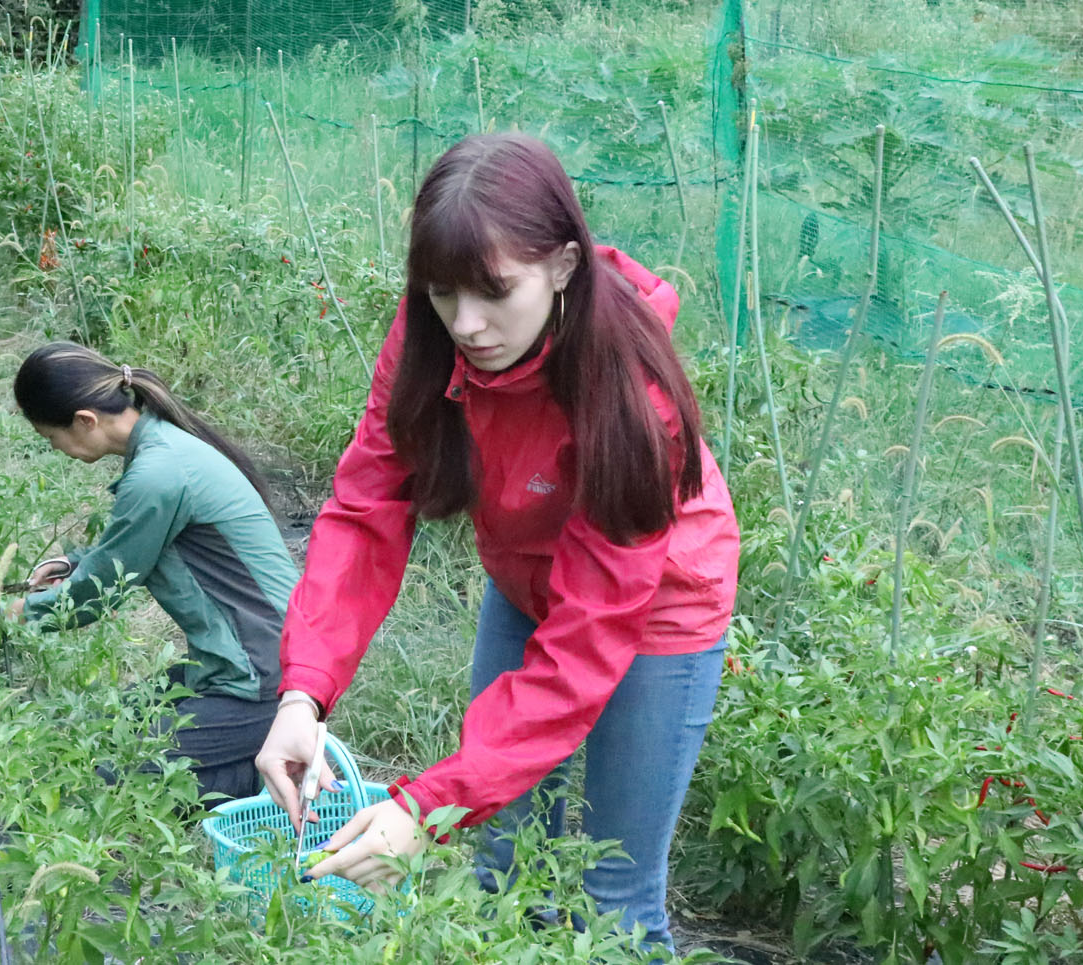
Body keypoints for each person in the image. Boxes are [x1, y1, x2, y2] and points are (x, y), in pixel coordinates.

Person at [256, 133, 737, 951]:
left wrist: (421, 806)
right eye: (443, 292)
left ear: (564, 265)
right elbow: (367, 508)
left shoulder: (631, 390)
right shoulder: (430, 336)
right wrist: (303, 694)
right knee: (504, 861)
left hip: (659, 608)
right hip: (524, 582)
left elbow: (584, 644)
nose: (467, 324)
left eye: (494, 291)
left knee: (615, 897)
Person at [14, 342, 297, 803]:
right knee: (103, 729)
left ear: (85, 420)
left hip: (262, 677)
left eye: (51, 438)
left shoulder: (158, 472)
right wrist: (73, 563)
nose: (56, 449)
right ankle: (254, 768)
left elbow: (101, 591)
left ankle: (265, 776)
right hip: (246, 660)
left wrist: (22, 614)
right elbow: (133, 546)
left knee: (107, 767)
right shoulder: (165, 445)